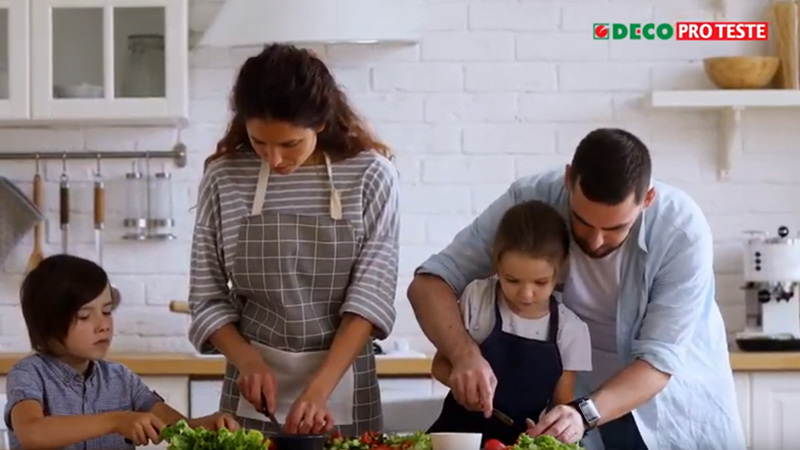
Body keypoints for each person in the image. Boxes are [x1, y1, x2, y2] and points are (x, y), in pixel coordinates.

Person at [408, 128, 745, 450]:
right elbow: (430, 283)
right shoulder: (531, 201)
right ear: (569, 180)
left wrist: (584, 413)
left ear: (648, 199)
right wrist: (464, 354)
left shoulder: (681, 231)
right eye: (582, 221)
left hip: (669, 411)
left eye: (615, 228)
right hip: (567, 411)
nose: (596, 241)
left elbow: (658, 361)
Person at [187, 43, 400, 437]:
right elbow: (207, 297)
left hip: (343, 387)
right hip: (252, 388)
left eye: (289, 145)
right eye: (258, 143)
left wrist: (318, 391)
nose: (275, 159)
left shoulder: (371, 176)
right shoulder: (225, 178)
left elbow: (370, 297)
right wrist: (247, 363)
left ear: (320, 123)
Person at [3, 254, 238, 450]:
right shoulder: (29, 374)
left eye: (106, 311)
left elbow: (179, 426)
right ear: (48, 323)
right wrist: (115, 421)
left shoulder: (121, 379)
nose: (103, 324)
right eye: (85, 316)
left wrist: (207, 426)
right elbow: (32, 433)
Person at [427, 200, 592, 446]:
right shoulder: (478, 298)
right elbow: (439, 366)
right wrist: (463, 387)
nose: (526, 294)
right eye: (512, 280)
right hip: (457, 437)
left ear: (561, 269)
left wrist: (547, 429)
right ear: (497, 263)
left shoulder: (571, 330)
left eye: (540, 282)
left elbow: (561, 404)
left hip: (518, 442)